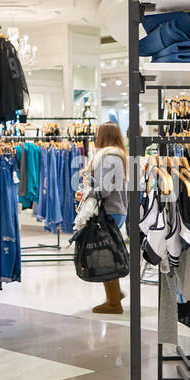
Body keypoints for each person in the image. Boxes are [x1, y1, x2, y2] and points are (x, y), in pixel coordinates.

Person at [81, 122, 129, 314]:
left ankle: (113, 303)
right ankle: (114, 295)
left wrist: (88, 193)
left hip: (109, 210)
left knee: (105, 254)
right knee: (108, 251)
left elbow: (105, 189)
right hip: (116, 210)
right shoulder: (118, 156)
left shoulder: (108, 158)